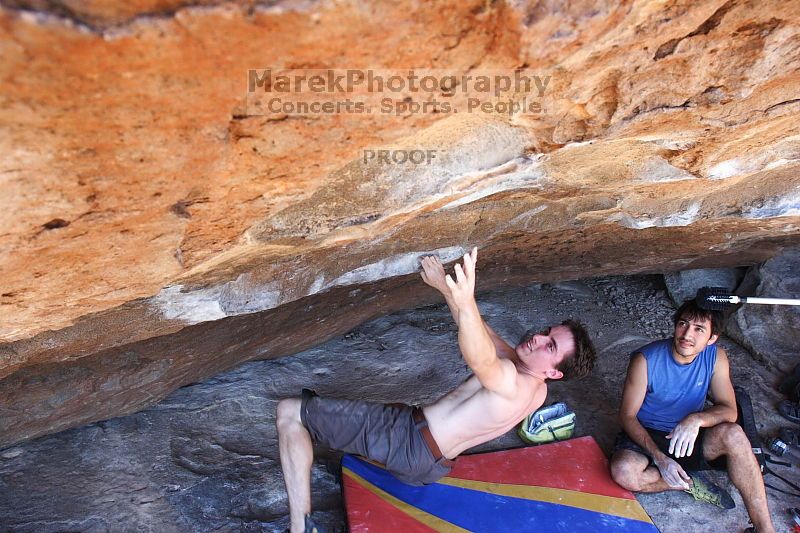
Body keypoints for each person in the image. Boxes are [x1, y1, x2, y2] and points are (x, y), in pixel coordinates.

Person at [276, 247, 596, 533]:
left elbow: (481, 358)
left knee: (291, 414)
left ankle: (300, 528)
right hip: (430, 468)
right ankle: (339, 434)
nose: (538, 339)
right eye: (545, 333)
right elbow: (486, 338)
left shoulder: (511, 381)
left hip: (406, 442)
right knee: (361, 426)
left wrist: (466, 298)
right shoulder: (537, 388)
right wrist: (447, 288)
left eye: (550, 345)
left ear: (554, 371)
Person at [609, 299, 774, 533]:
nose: (687, 334)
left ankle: (765, 529)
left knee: (735, 434)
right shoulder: (645, 360)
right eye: (683, 324)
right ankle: (687, 482)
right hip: (647, 435)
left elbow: (729, 409)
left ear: (712, 338)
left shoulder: (716, 357)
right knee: (623, 471)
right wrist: (659, 457)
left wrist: (696, 419)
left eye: (699, 329)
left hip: (688, 436)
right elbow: (627, 416)